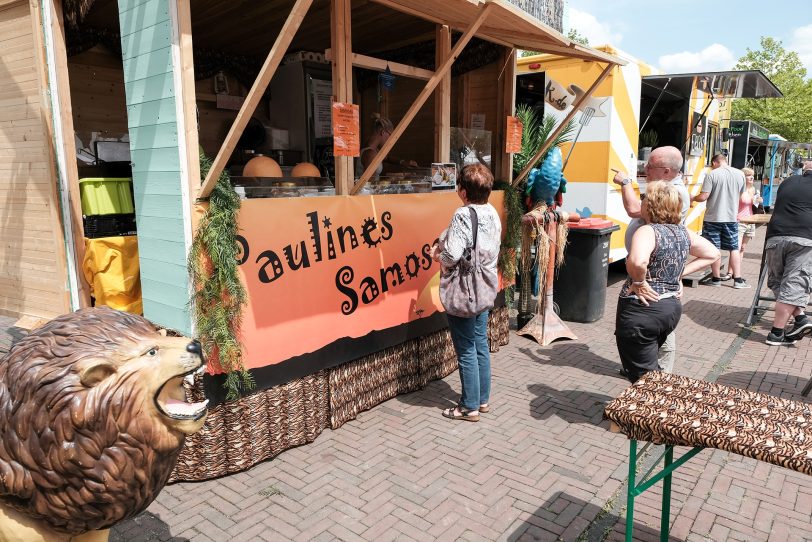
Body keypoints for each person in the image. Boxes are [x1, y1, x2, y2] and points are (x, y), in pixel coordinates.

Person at [615, 182, 720, 383]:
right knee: (649, 367)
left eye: (645, 198)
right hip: (669, 309)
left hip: (644, 309)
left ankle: (656, 410)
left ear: (652, 204)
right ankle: (654, 406)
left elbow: (638, 261)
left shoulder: (647, 231)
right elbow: (712, 254)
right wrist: (678, 274)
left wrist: (638, 281)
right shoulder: (682, 231)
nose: (642, 202)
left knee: (645, 378)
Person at [431, 164, 501, 421]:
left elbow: (451, 256)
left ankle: (468, 406)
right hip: (484, 288)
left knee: (466, 347)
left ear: (462, 191)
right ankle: (482, 400)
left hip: (465, 291)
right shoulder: (492, 212)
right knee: (480, 342)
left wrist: (437, 254)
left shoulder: (463, 215)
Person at [612, 145, 689, 373]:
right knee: (653, 327)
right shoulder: (667, 188)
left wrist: (639, 281)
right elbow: (710, 253)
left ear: (667, 171)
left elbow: (634, 209)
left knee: (657, 328)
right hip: (659, 273)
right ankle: (649, 372)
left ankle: (658, 376)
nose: (645, 169)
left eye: (650, 166)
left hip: (655, 277)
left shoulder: (671, 194)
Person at [763, 160, 812, 346]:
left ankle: (800, 318)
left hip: (775, 236)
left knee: (778, 281)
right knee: (795, 284)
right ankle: (776, 333)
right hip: (805, 238)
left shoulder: (788, 182)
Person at [692, 154, 748, 288]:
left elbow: (704, 196)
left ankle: (716, 279)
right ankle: (738, 280)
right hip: (731, 218)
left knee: (714, 248)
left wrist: (692, 197)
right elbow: (740, 196)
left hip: (713, 218)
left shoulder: (712, 174)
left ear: (714, 162)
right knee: (734, 248)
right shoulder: (740, 174)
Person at [724, 167, 761, 278]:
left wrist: (758, 201)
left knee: (743, 248)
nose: (752, 177)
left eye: (752, 175)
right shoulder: (739, 190)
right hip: (739, 221)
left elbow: (753, 205)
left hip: (750, 221)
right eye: (748, 175)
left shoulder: (753, 189)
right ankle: (730, 272)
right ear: (742, 178)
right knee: (736, 247)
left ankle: (736, 272)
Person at [355, 114, 416, 180]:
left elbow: (387, 158)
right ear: (383, 132)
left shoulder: (373, 150)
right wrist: (394, 178)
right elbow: (369, 184)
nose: (390, 140)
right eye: (390, 136)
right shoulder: (370, 153)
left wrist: (402, 162)